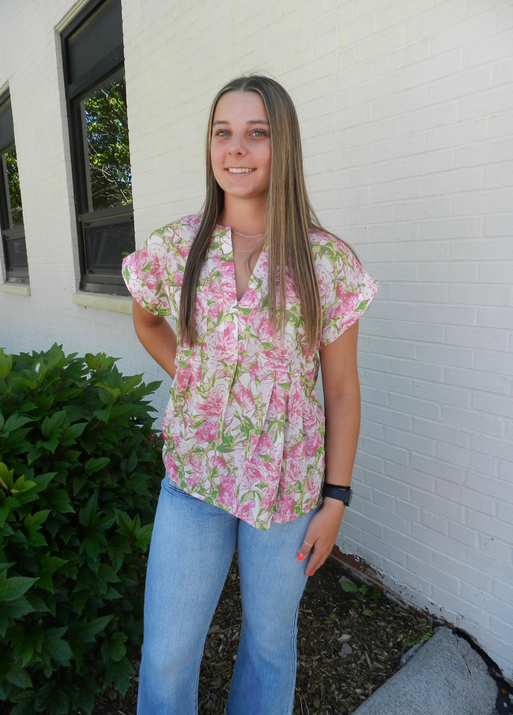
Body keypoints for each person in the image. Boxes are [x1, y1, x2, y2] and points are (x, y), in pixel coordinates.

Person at [121, 75, 377, 715]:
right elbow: (148, 320)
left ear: (282, 144)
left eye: (256, 133)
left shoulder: (326, 262)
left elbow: (342, 391)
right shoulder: (180, 246)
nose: (236, 149)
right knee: (168, 653)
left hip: (287, 491)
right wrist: (200, 383)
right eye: (223, 132)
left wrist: (336, 499)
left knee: (270, 645)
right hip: (195, 479)